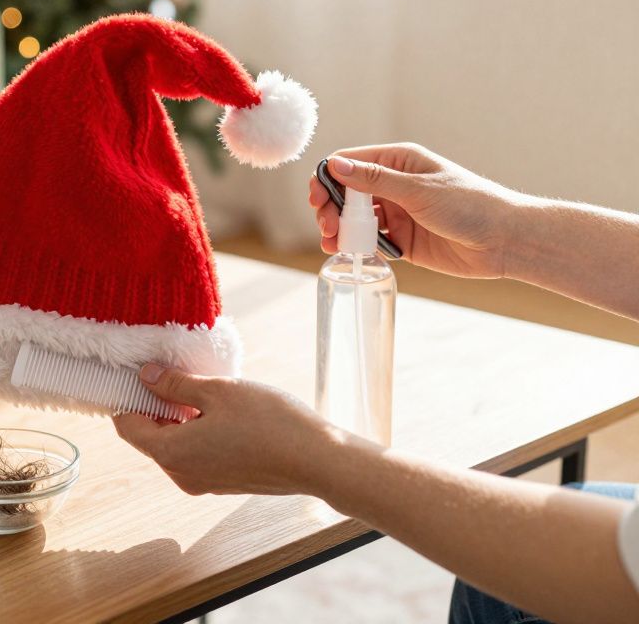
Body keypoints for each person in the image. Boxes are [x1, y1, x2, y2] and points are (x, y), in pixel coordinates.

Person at [113, 143, 639, 624]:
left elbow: (623, 573)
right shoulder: (340, 274)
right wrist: (504, 230)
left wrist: (317, 459)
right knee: (519, 562)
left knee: (500, 596)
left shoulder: (371, 278)